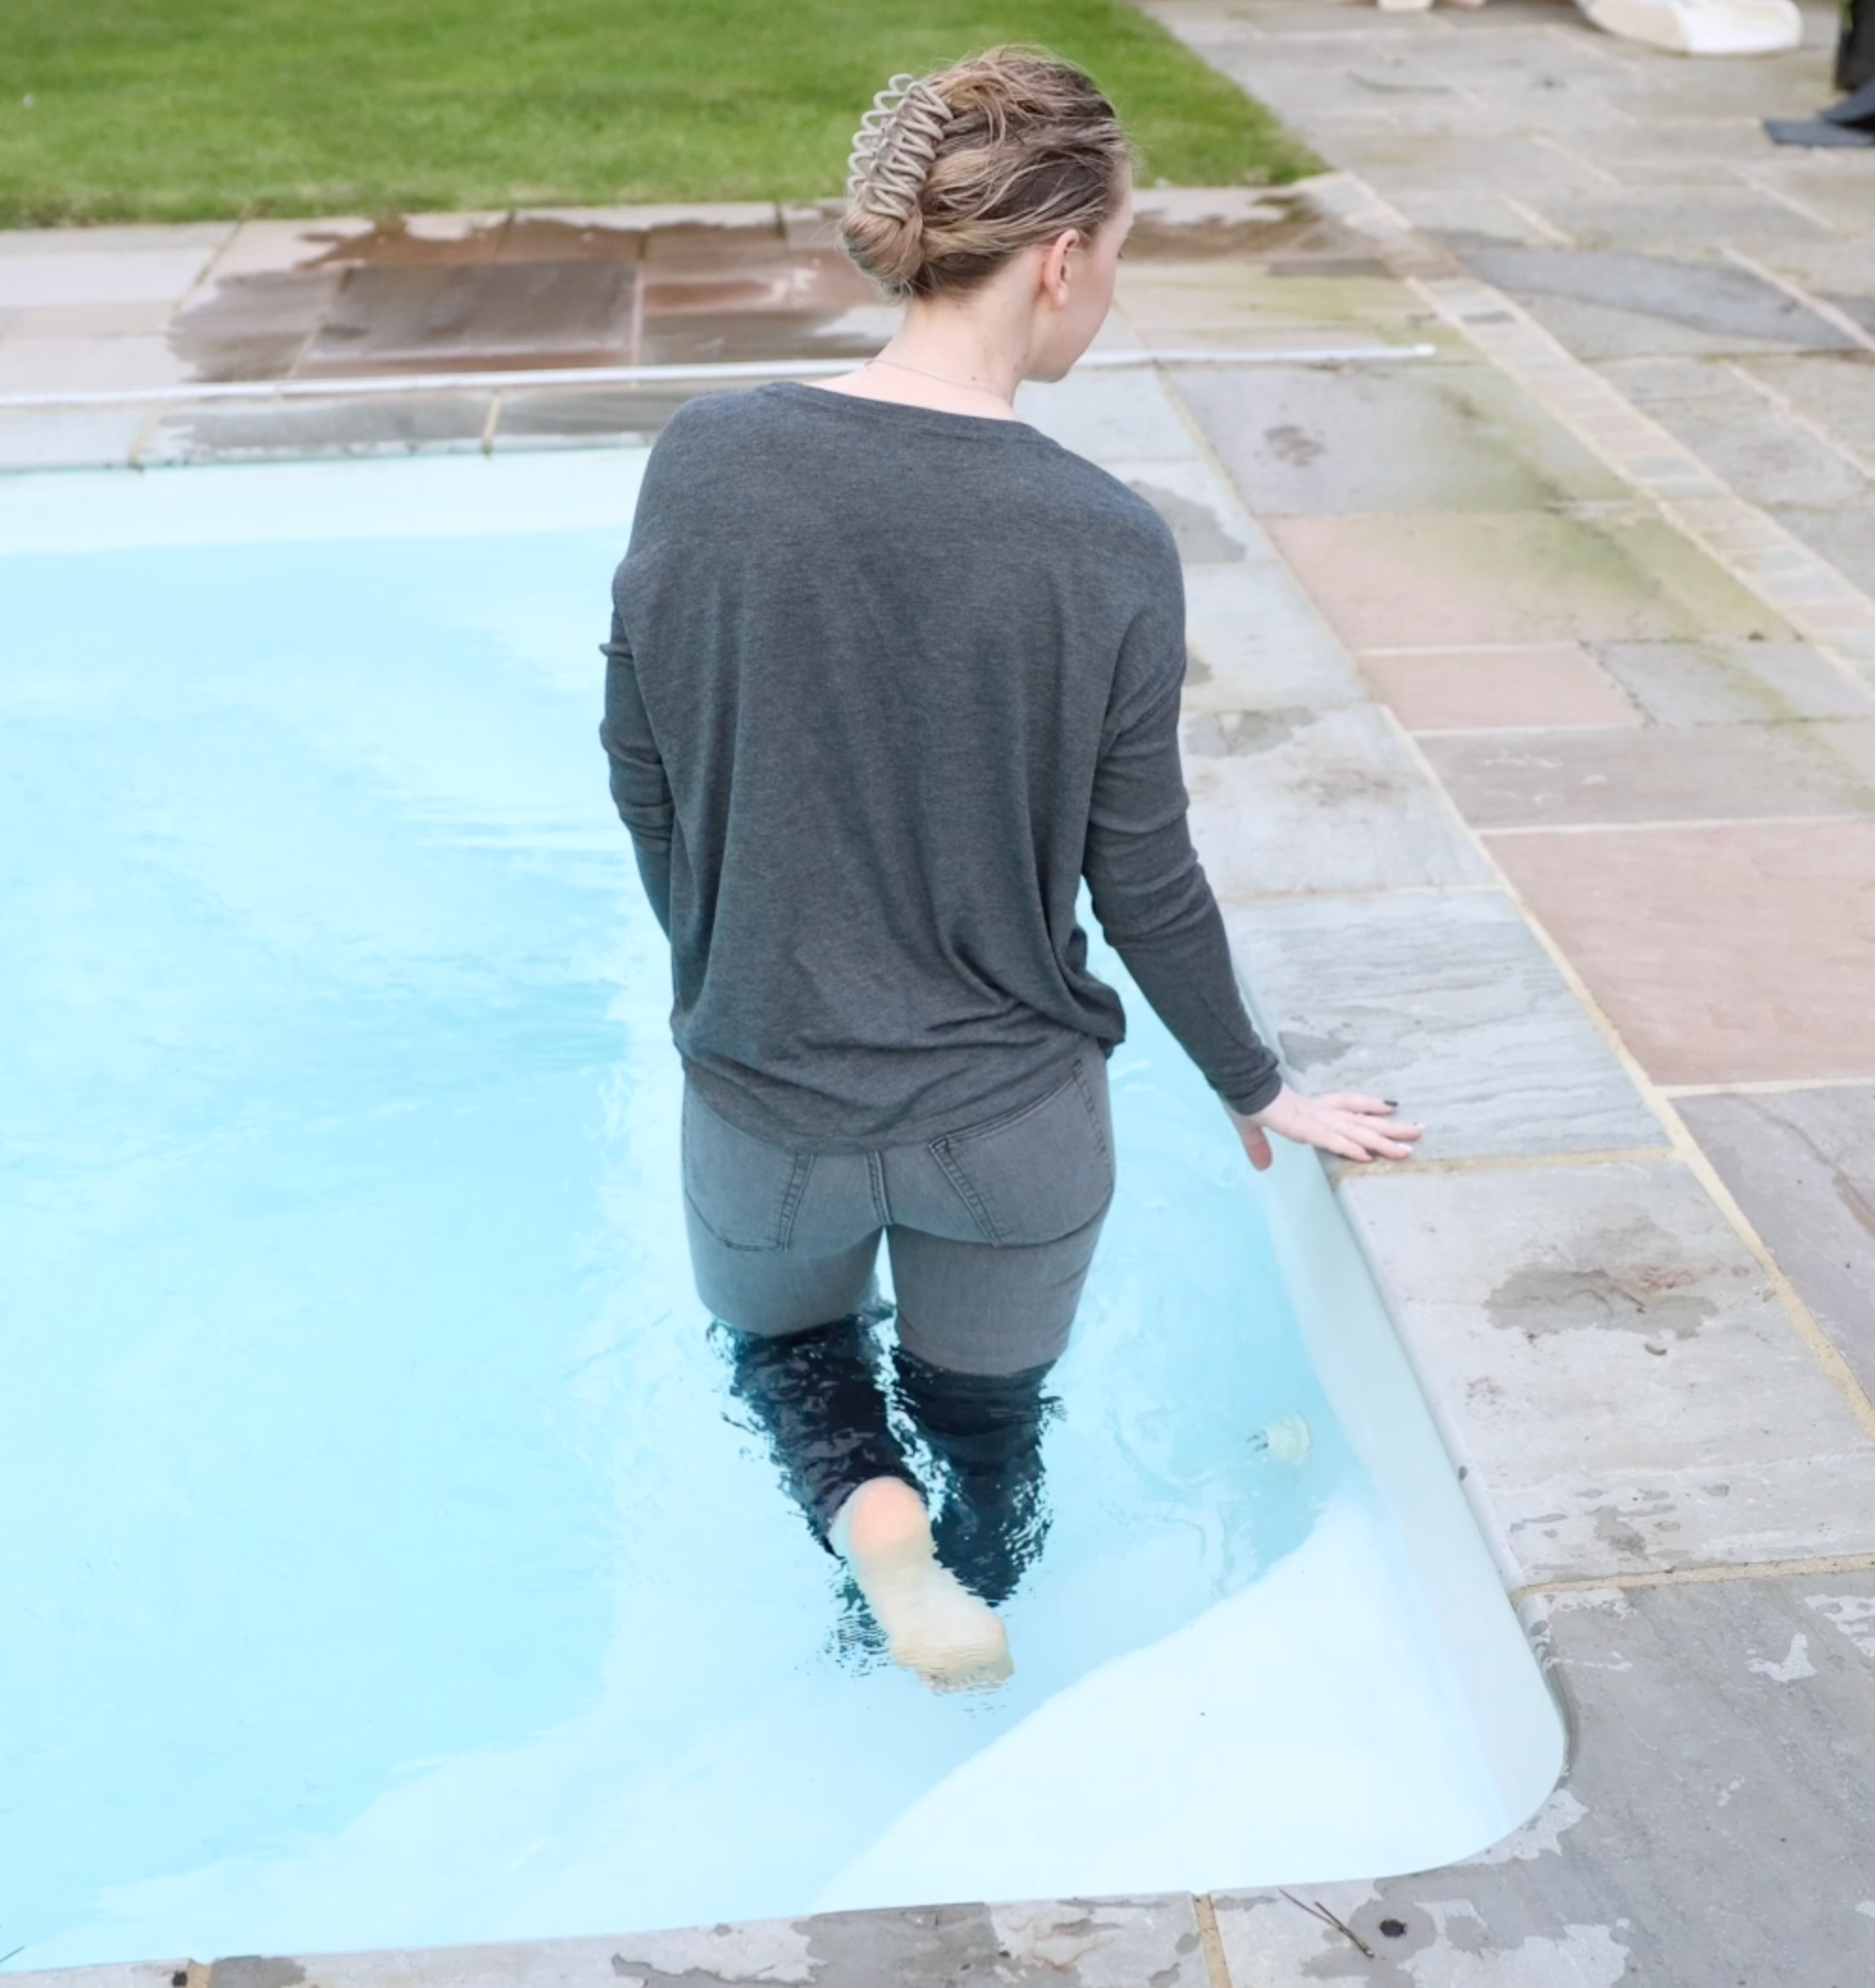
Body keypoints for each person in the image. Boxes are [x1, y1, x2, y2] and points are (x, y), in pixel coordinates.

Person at [598, 46, 1420, 1694]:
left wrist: (729, 970)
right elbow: (1145, 874)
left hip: (765, 1102)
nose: (1103, 296)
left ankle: (864, 1525)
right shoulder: (1105, 539)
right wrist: (1257, 1088)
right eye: (1114, 259)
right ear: (1057, 262)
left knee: (794, 1366)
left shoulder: (707, 456)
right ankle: (951, 1590)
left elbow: (643, 769)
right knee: (998, 1446)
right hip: (1012, 1132)